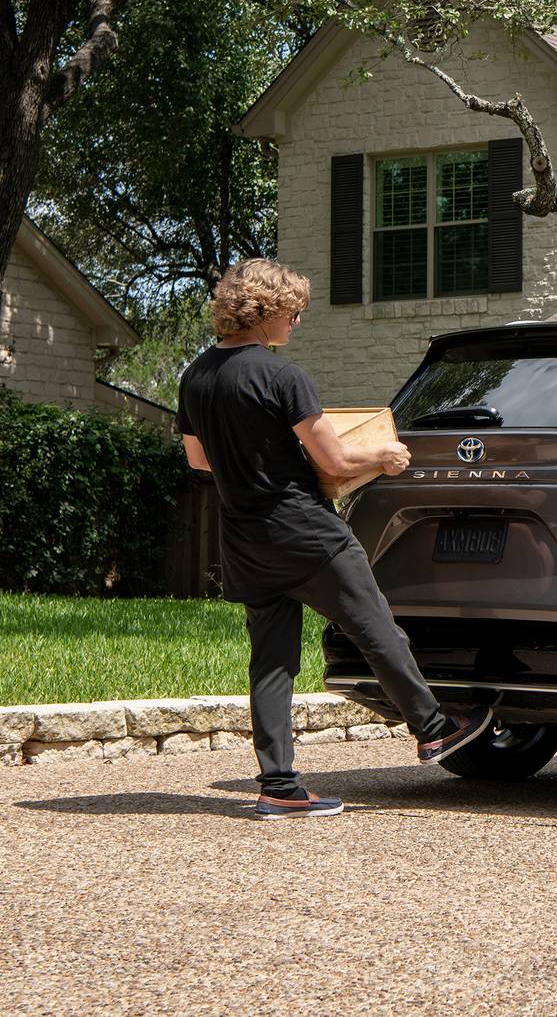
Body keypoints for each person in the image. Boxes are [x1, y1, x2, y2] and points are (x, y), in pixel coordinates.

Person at [177, 259, 493, 820]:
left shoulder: (196, 376)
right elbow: (338, 459)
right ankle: (435, 728)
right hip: (306, 532)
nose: (297, 321)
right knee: (376, 628)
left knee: (271, 663)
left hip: (245, 538)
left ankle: (278, 785)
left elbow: (199, 460)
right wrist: (385, 455)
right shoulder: (282, 376)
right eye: (293, 310)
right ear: (265, 310)